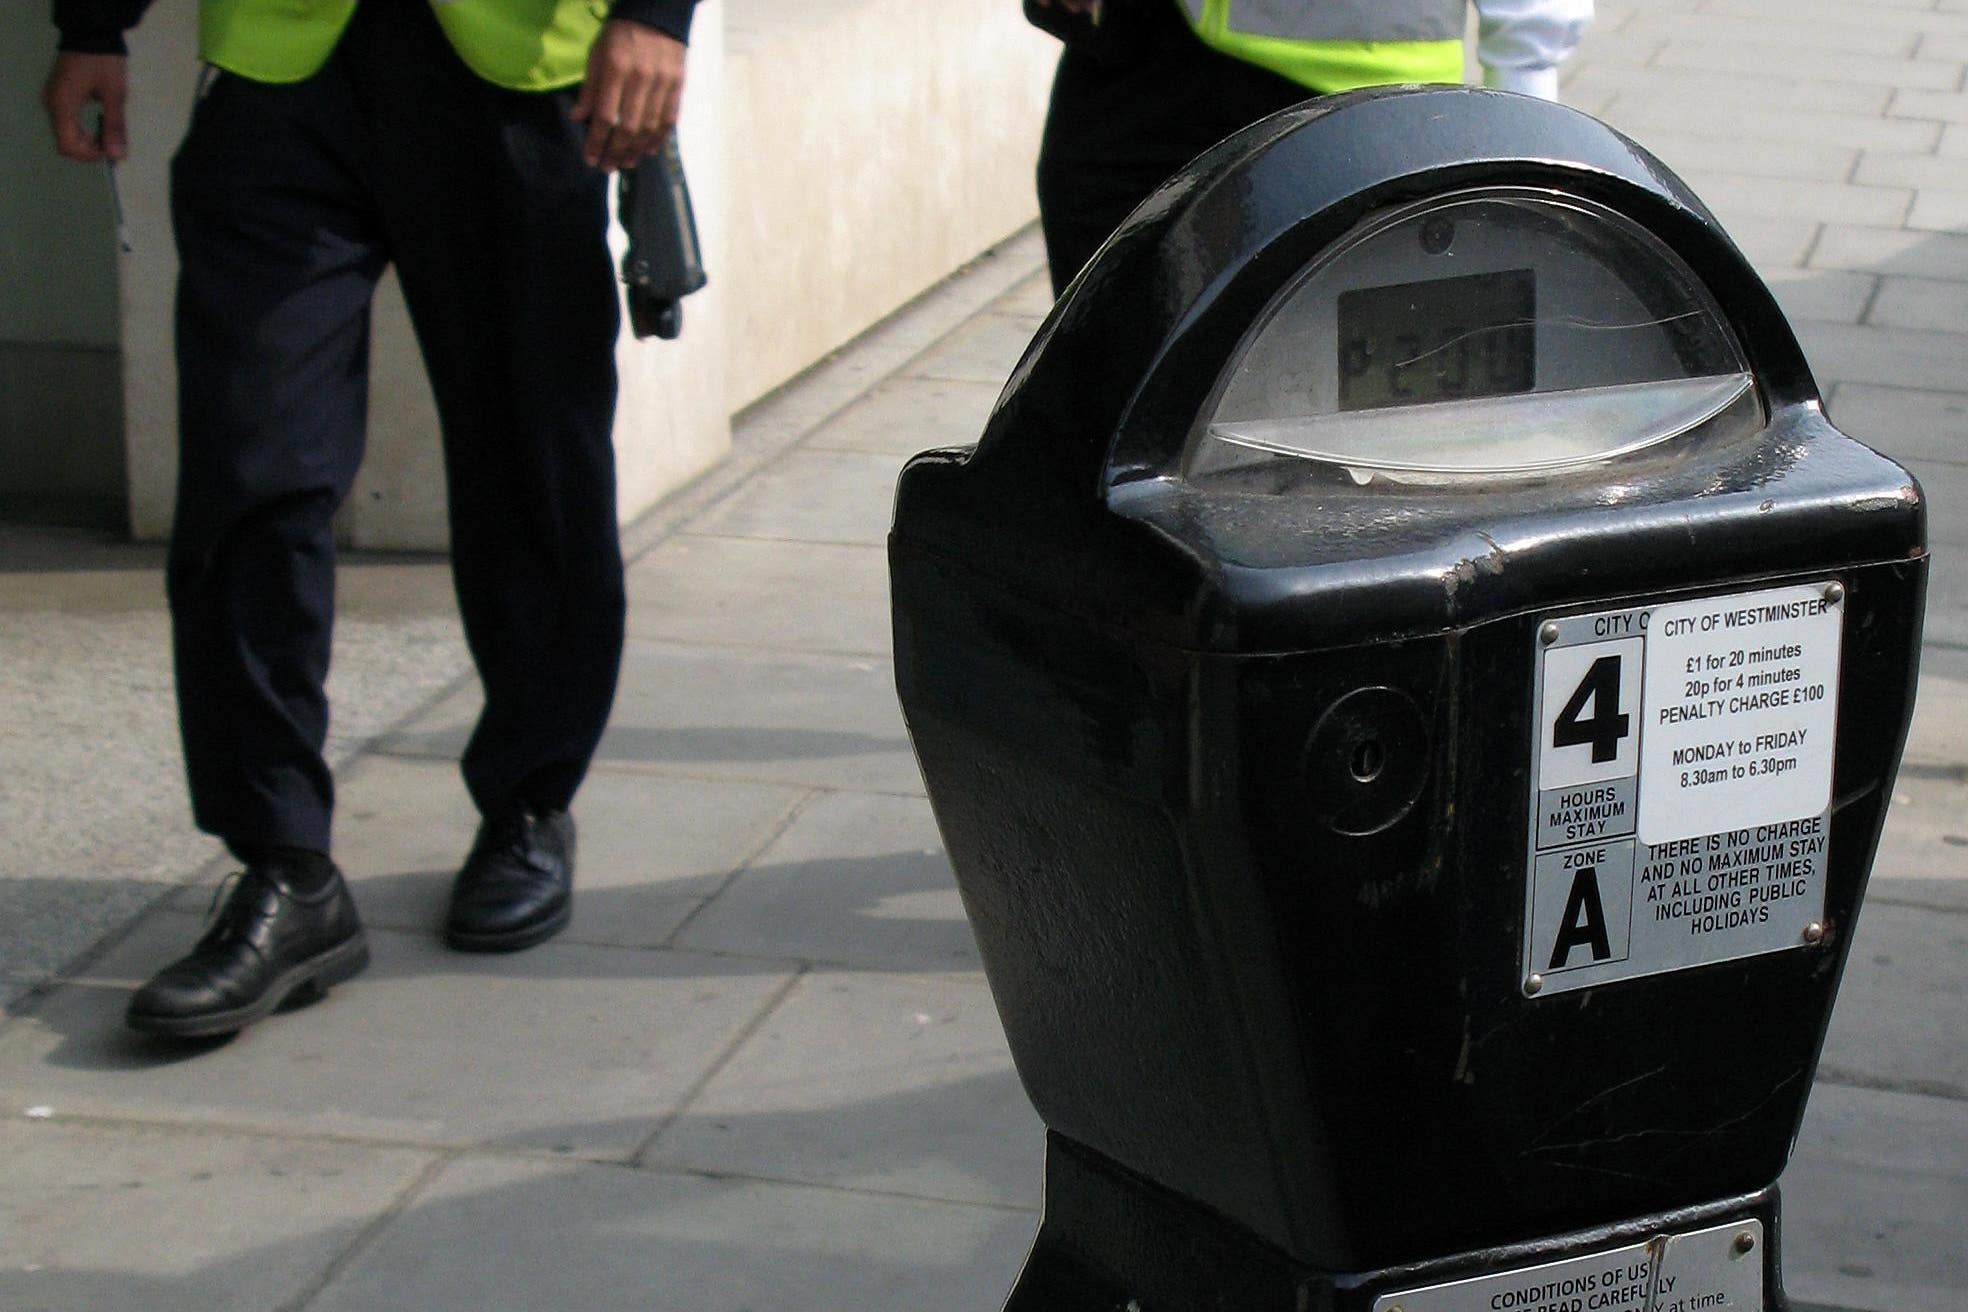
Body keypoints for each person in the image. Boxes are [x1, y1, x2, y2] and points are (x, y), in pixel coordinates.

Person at [41, 0, 697, 1038]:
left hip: (519, 71)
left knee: (533, 464)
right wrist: (93, 23)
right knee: (249, 466)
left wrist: (657, 14)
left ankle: (528, 805)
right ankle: (284, 865)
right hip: (280, 66)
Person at [1028, 0, 1593, 295]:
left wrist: (1524, 136)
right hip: (1138, 59)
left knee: (1323, 432)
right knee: (1099, 393)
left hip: (1349, 104)